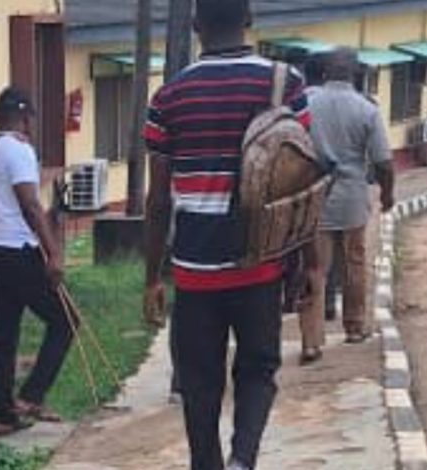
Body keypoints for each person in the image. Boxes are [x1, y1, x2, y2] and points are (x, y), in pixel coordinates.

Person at [142, 0, 311, 468]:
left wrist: (152, 277)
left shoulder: (169, 97)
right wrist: (306, 261)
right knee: (258, 370)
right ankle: (242, 460)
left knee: (199, 382)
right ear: (250, 19)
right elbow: (302, 182)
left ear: (195, 25)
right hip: (261, 264)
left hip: (194, 272)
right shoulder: (285, 85)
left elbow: (157, 202)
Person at [0, 87, 75, 437]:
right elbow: (31, 205)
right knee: (65, 320)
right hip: (17, 251)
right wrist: (54, 252)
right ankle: (31, 396)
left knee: (3, 335)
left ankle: (4, 416)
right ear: (25, 117)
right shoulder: (19, 150)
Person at [297, 49, 395, 364]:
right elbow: (384, 162)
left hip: (316, 197)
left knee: (315, 268)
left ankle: (311, 342)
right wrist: (387, 195)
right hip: (353, 197)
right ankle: (354, 327)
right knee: (355, 262)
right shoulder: (366, 109)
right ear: (354, 74)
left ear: (324, 73)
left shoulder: (306, 104)